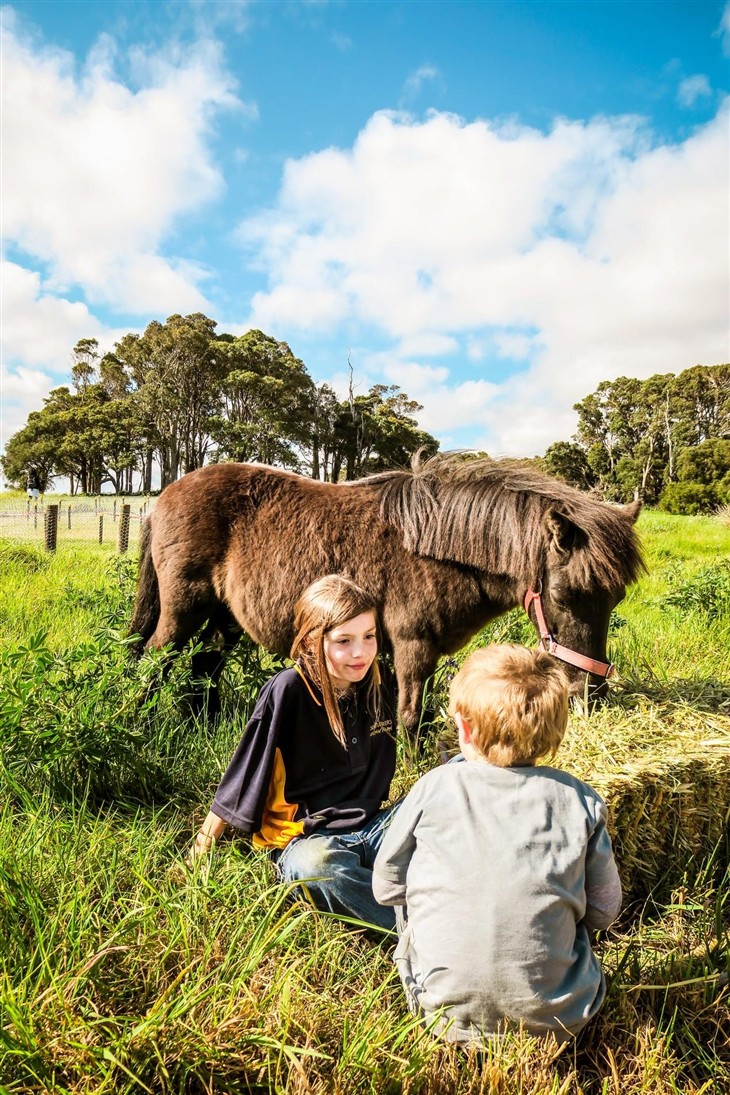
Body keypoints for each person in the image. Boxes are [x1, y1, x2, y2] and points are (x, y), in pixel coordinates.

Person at [372, 644, 622, 1044]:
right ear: (558, 729)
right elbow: (604, 912)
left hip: (440, 1017)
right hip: (563, 1020)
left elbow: (385, 889)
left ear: (464, 729)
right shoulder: (581, 800)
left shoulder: (433, 787)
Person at [187, 574, 399, 931]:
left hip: (375, 827)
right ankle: (417, 929)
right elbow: (244, 772)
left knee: (452, 785)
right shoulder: (289, 690)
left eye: (369, 636)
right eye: (343, 641)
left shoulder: (379, 684)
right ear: (312, 641)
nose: (360, 652)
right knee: (313, 870)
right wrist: (201, 849)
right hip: (307, 840)